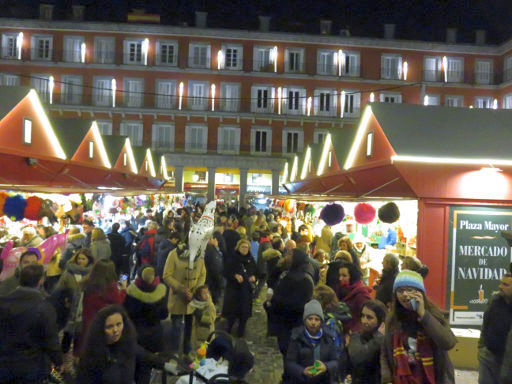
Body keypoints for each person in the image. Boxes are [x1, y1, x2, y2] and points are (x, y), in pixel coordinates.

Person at [381, 270, 457, 384]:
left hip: (433, 378)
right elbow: (385, 353)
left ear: (420, 293)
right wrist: (387, 379)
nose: (405, 294)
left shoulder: (434, 314)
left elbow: (448, 343)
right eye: (400, 290)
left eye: (410, 290)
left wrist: (423, 314)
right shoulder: (392, 319)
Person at [76, 304, 173, 384]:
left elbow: (147, 357)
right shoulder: (90, 355)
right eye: (109, 327)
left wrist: (169, 366)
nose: (115, 330)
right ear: (100, 330)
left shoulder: (128, 344)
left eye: (119, 324)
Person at [0, 264, 63, 383]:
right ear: (40, 281)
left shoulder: (3, 301)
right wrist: (58, 361)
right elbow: (51, 341)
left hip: (4, 363)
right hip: (31, 366)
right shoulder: (45, 308)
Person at [270, 248, 315, 370]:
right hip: (285, 324)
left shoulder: (303, 278)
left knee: (291, 357)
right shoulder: (289, 273)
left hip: (292, 325)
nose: (286, 256)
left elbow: (299, 304)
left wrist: (275, 299)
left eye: (290, 254)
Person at [124, 264, 168, 384]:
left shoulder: (132, 291)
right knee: (147, 365)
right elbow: (164, 314)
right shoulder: (161, 291)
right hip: (154, 336)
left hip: (136, 334)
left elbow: (126, 313)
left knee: (135, 363)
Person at [163, 241, 206, 359]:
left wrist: (196, 290)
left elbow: (202, 274)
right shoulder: (173, 254)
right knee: (176, 326)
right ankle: (174, 352)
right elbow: (166, 275)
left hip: (193, 297)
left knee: (190, 326)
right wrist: (180, 288)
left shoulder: (200, 256)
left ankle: (187, 351)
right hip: (178, 296)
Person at [285, 299, 339, 384]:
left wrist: (326, 367)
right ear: (305, 320)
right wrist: (302, 371)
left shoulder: (328, 338)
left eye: (317, 319)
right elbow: (290, 363)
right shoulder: (296, 338)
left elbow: (335, 361)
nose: (313, 322)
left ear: (321, 321)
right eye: (310, 319)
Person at [80, 260, 127, 352]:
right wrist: (123, 289)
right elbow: (118, 302)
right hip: (102, 322)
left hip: (87, 319)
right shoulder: (110, 287)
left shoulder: (87, 282)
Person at [478, 271, 512, 384]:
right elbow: (485, 323)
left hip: (508, 362)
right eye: (501, 283)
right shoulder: (495, 300)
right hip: (488, 356)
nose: (500, 287)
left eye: (506, 285)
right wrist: (481, 348)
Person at [222, 239, 257, 337]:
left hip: (246, 291)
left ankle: (241, 334)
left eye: (246, 247)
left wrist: (254, 277)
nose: (245, 249)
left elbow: (256, 271)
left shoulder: (250, 259)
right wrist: (234, 276)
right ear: (238, 247)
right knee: (232, 314)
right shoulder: (233, 258)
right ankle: (227, 332)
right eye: (243, 247)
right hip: (234, 291)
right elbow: (225, 271)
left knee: (244, 314)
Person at [346, 299, 386, 384]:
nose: (364, 321)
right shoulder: (355, 336)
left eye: (369, 317)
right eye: (363, 316)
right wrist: (379, 339)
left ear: (380, 321)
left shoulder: (387, 339)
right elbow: (358, 357)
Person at [336, 262, 372, 332]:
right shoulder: (343, 290)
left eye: (344, 276)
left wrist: (354, 332)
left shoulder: (361, 294)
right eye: (340, 275)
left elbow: (368, 317)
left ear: (352, 277)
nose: (340, 278)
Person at [190, 285, 216, 350]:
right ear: (199, 296)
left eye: (207, 293)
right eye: (204, 293)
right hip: (197, 334)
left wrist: (201, 316)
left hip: (207, 334)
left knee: (204, 351)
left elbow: (211, 320)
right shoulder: (194, 304)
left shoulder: (210, 305)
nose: (206, 295)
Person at [204, 235, 224, 305]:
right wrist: (219, 280)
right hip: (212, 280)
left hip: (209, 279)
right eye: (212, 238)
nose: (215, 240)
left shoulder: (211, 249)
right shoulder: (210, 250)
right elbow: (216, 267)